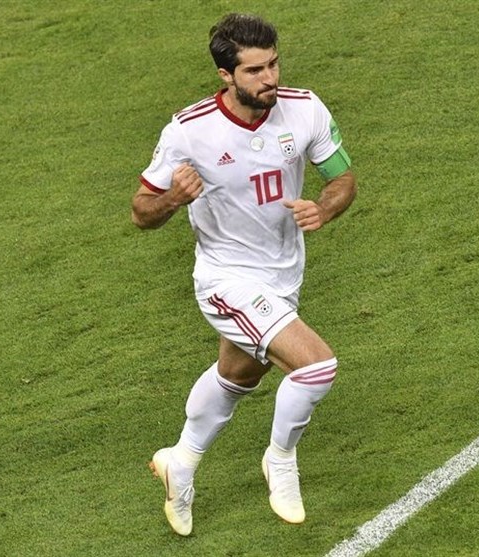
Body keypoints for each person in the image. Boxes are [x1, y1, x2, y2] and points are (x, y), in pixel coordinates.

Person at [132, 12, 356, 536]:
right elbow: (141, 211)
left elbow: (342, 177)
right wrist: (174, 198)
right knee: (317, 367)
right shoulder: (189, 131)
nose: (270, 78)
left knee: (238, 376)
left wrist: (324, 207)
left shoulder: (305, 109)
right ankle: (280, 460)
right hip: (226, 280)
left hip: (283, 277)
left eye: (273, 64)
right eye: (255, 70)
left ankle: (180, 461)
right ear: (226, 76)